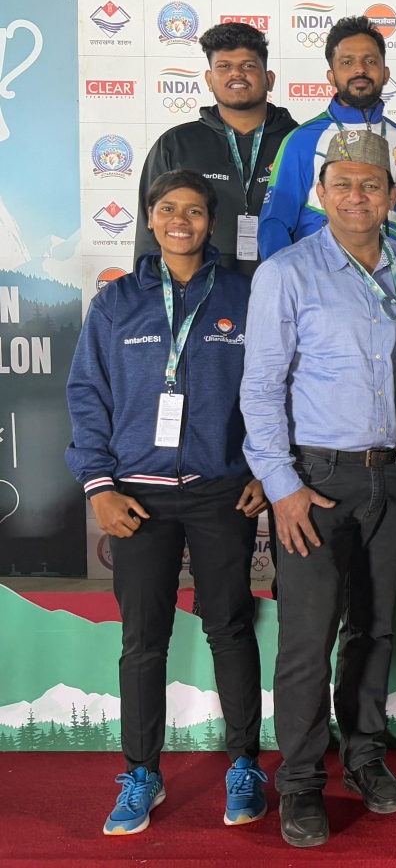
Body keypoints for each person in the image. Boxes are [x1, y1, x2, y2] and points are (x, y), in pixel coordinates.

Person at [241, 130, 396, 847]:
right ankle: (298, 782)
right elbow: (262, 388)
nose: (358, 197)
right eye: (344, 186)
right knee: (307, 636)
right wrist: (282, 487)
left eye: (372, 186)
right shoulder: (287, 273)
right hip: (315, 481)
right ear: (321, 195)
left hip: (393, 474)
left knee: (377, 627)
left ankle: (363, 755)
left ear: (392, 198)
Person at [66, 170, 268, 835]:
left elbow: (270, 390)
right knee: (142, 640)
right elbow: (87, 396)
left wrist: (265, 471)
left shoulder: (243, 293)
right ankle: (141, 773)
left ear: (211, 222)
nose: (182, 220)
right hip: (136, 498)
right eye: (168, 209)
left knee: (230, 627)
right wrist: (98, 485)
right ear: (150, 220)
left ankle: (244, 763)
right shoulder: (118, 302)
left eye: (195, 211)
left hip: (219, 493)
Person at [133, 22, 297, 276]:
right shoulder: (175, 145)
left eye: (248, 66)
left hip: (287, 290)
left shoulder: (300, 141)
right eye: (224, 67)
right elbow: (150, 232)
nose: (237, 74)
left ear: (269, 79)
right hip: (200, 297)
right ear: (209, 80)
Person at [257, 16, 396, 258]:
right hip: (323, 286)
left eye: (370, 61)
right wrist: (287, 285)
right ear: (331, 76)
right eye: (347, 62)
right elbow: (274, 224)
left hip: (395, 285)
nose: (360, 70)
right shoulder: (303, 139)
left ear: (385, 73)